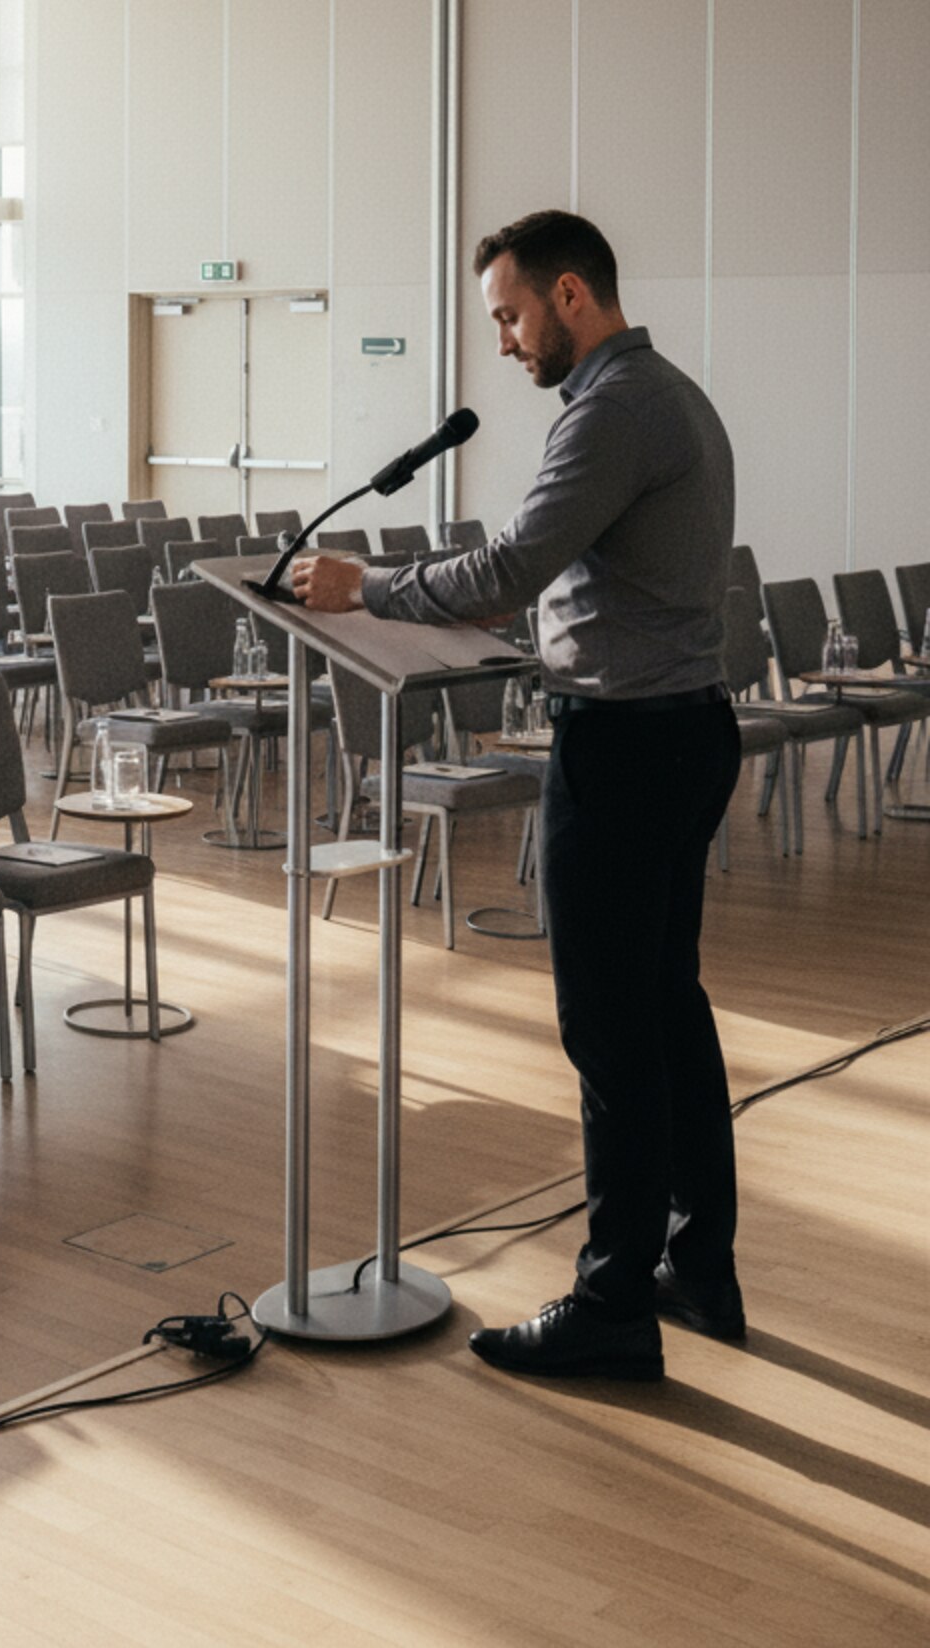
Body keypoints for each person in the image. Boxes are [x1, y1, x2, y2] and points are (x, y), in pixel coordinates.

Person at [294, 209, 743, 1383]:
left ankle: (610, 1306)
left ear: (570, 298)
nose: (501, 338)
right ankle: (696, 1264)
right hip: (680, 729)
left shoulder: (613, 410)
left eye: (508, 312)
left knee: (607, 1029)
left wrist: (364, 587)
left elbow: (504, 572)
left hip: (627, 749)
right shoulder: (671, 395)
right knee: (662, 1008)